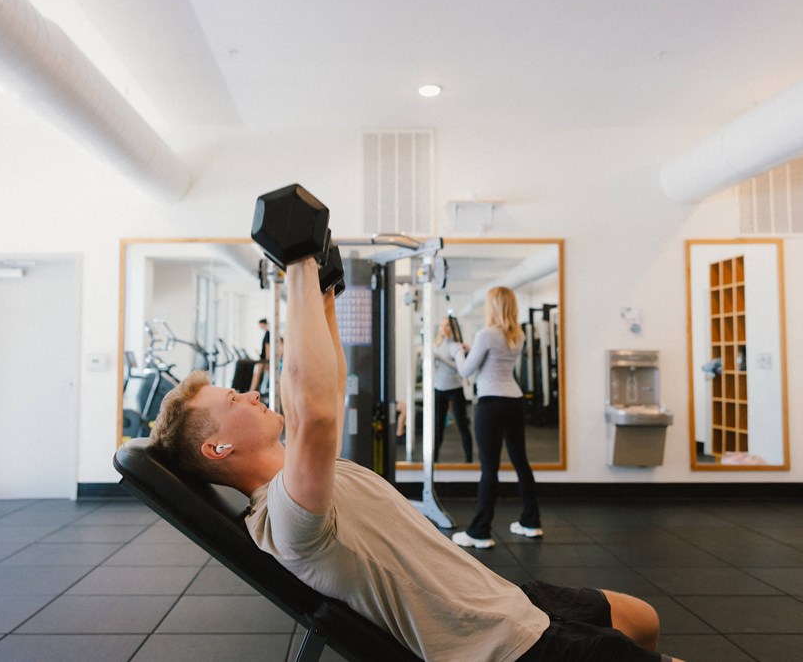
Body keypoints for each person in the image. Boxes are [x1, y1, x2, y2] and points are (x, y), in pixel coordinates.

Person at [149, 259, 682, 662]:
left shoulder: (303, 475)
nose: (248, 393)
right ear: (217, 448)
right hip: (501, 647)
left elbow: (325, 392)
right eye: (232, 401)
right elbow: (313, 411)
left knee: (642, 619)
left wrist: (326, 296)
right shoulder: (284, 518)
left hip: (502, 599)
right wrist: (296, 265)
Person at [448, 286, 541, 549]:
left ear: (494, 307)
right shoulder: (518, 336)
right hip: (514, 400)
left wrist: (457, 351)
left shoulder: (486, 334)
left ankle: (480, 532)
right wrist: (471, 347)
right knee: (521, 462)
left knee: (489, 468)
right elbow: (495, 360)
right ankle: (531, 522)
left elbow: (467, 369)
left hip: (491, 403)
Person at [433, 316, 474, 462]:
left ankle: (469, 460)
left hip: (455, 389)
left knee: (462, 425)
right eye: (442, 325)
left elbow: (460, 368)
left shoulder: (456, 347)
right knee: (437, 428)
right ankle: (433, 460)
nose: (444, 328)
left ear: (453, 328)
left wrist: (440, 358)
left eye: (448, 326)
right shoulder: (436, 346)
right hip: (439, 389)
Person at [248, 317, 270, 392]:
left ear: (263, 324)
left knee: (257, 374)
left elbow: (268, 348)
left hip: (264, 359)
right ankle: (253, 391)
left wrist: (267, 361)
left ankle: (251, 391)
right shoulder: (266, 333)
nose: (259, 326)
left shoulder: (268, 333)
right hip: (263, 357)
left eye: (260, 325)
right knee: (257, 374)